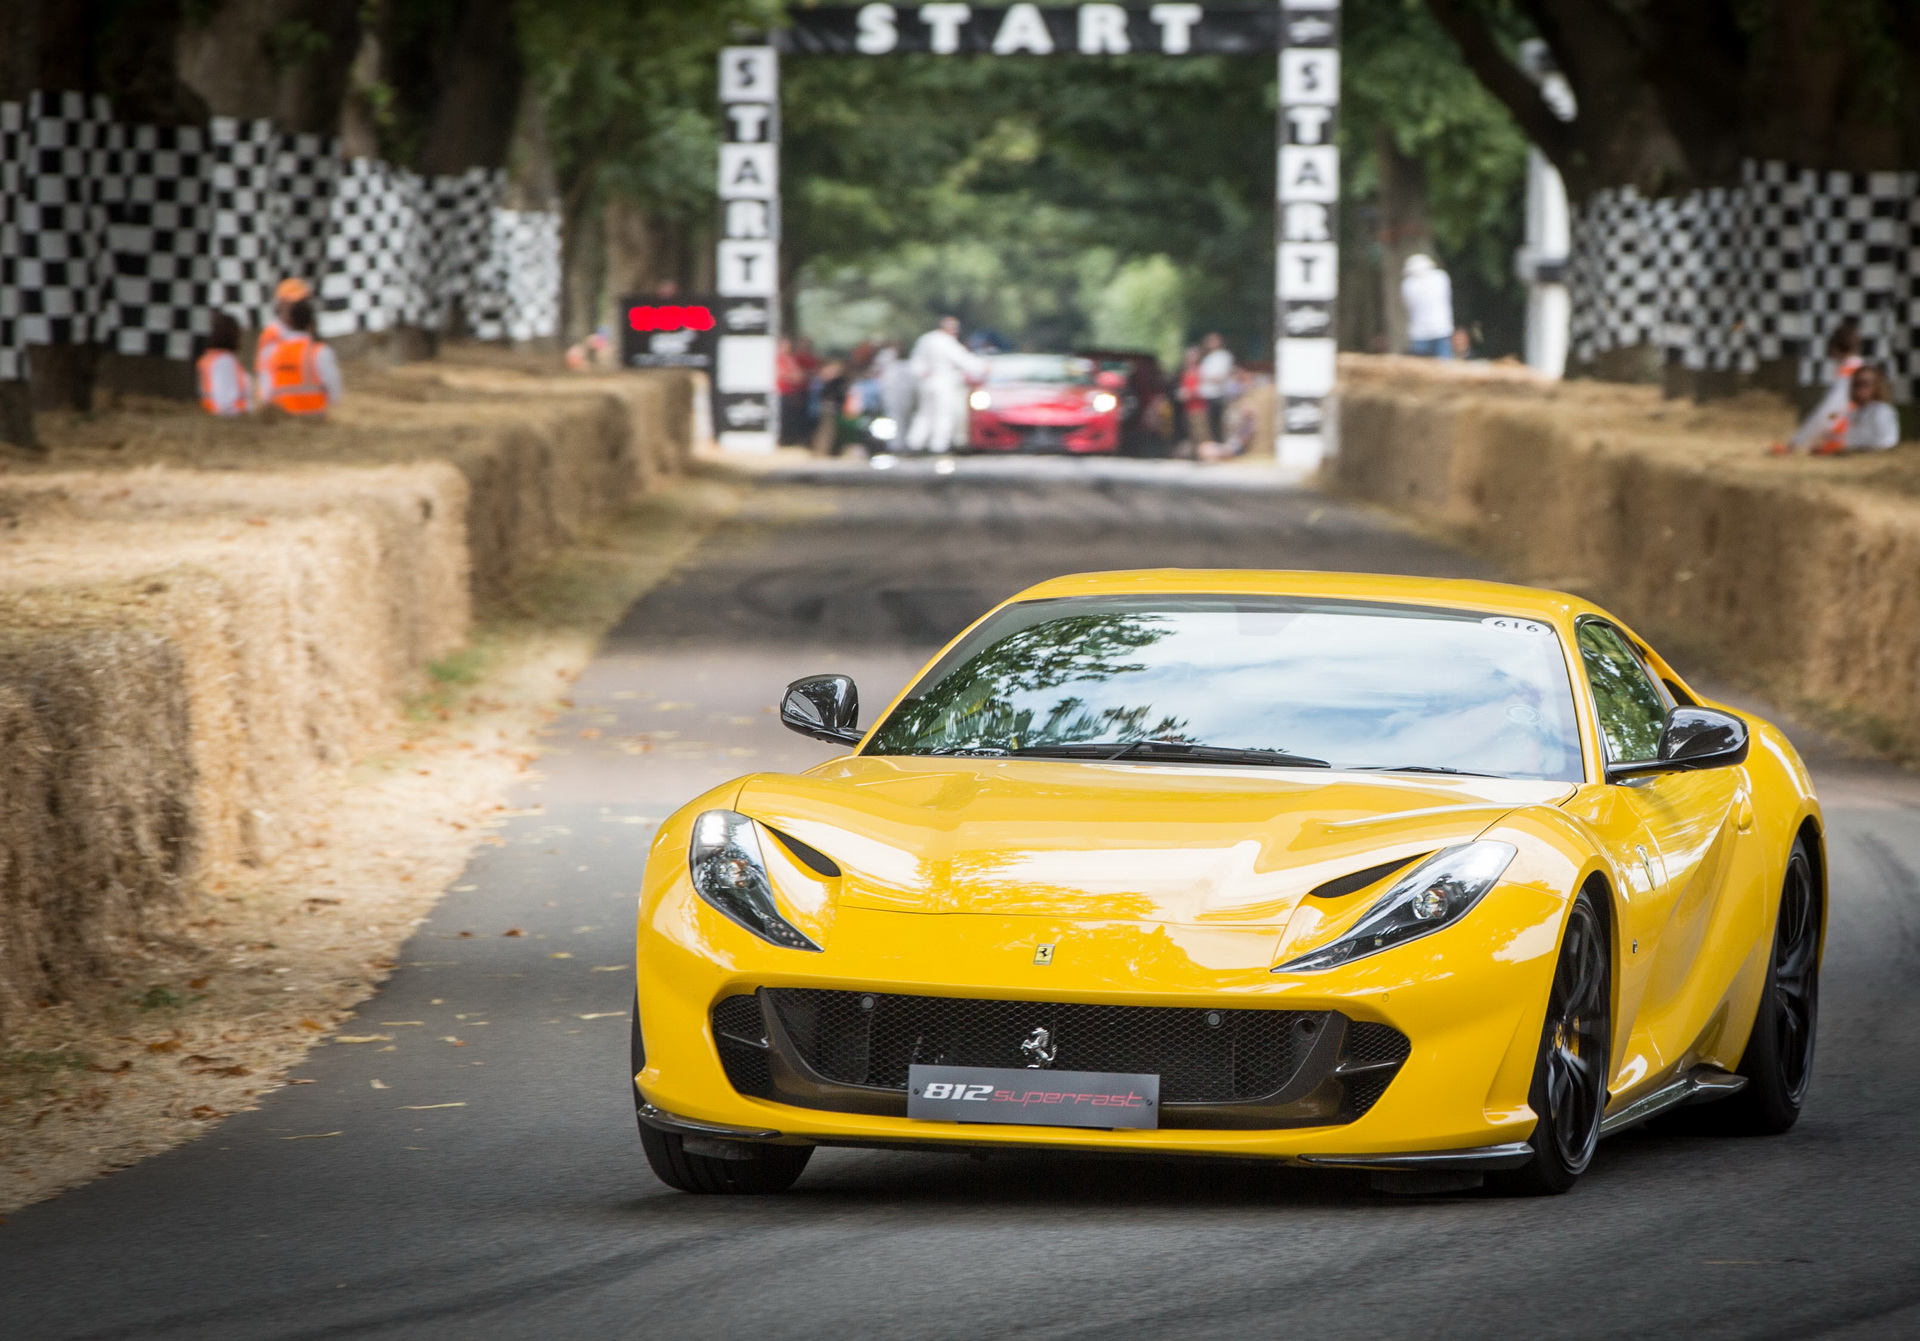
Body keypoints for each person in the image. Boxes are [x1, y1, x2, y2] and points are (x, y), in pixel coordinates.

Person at [905, 316, 985, 454]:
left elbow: (915, 363)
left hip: (927, 383)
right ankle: (938, 446)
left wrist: (921, 373)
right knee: (944, 414)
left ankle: (914, 443)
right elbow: (963, 360)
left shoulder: (926, 339)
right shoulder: (946, 341)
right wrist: (982, 367)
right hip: (943, 382)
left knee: (925, 413)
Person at [1782, 320, 1865, 452]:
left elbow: (1828, 413)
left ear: (1834, 348)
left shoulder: (1849, 373)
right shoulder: (1863, 368)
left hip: (1853, 435)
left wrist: (1795, 443)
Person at [258, 298, 342, 417]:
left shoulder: (271, 351)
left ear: (288, 322)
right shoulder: (319, 352)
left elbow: (265, 391)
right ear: (312, 325)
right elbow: (334, 390)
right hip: (313, 414)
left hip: (280, 417)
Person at [1810, 364, 1900, 454]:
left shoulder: (1882, 410)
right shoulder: (1855, 411)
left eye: (1865, 384)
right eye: (1856, 384)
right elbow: (1850, 438)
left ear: (1877, 386)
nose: (1860, 389)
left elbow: (1887, 442)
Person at [255, 277, 312, 388]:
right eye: (298, 301)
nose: (302, 305)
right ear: (283, 303)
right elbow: (265, 373)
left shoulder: (300, 329)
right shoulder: (273, 333)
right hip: (281, 399)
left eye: (304, 301)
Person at [196, 311, 252, 416]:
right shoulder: (225, 361)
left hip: (213, 417)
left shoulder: (210, 358)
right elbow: (225, 401)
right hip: (234, 421)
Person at [1402, 253, 1454, 358]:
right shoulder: (1441, 277)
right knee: (1443, 363)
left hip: (1426, 331)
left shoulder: (1408, 284)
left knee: (1423, 365)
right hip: (1438, 328)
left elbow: (1408, 304)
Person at [1195, 333, 1235, 447]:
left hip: (1218, 394)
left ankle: (1220, 446)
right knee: (1208, 424)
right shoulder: (1208, 358)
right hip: (1206, 395)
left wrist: (1206, 378)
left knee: (1218, 423)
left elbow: (1220, 377)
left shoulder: (1224, 356)